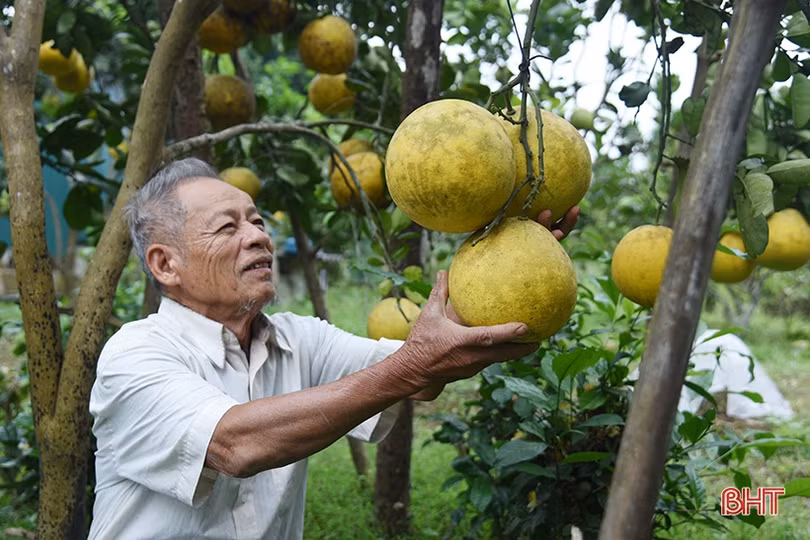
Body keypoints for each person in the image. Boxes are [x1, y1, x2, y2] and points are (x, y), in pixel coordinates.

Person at [87, 158, 579, 539]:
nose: (259, 237)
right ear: (165, 264)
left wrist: (509, 260)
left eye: (257, 221)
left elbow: (426, 370)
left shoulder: (299, 339)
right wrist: (414, 364)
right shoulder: (133, 356)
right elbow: (233, 444)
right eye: (228, 227)